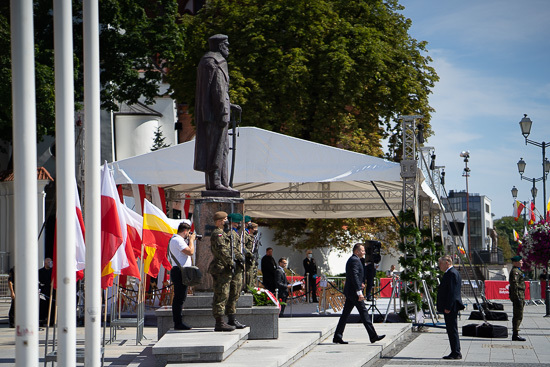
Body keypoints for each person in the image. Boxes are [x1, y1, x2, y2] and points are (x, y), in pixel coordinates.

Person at [193, 34, 241, 192]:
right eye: (226, 45)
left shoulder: (206, 61)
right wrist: (223, 111)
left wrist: (229, 105)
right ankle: (217, 183)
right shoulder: (217, 62)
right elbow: (218, 90)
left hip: (212, 113)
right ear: (220, 46)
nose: (228, 48)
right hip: (216, 116)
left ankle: (220, 182)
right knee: (218, 148)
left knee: (218, 147)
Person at [333, 244, 385, 344]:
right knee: (364, 313)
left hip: (351, 293)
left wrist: (360, 284)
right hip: (354, 293)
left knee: (345, 315)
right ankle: (373, 336)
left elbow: (356, 276)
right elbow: (354, 276)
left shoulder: (355, 260)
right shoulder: (354, 260)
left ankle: (337, 336)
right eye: (362, 250)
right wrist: (359, 292)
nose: (364, 252)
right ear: (356, 251)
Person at [208, 211, 246, 331]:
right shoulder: (217, 234)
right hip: (221, 268)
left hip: (226, 268)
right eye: (225, 219)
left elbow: (231, 249)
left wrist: (238, 258)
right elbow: (222, 251)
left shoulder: (222, 233)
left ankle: (230, 319)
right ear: (219, 221)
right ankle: (219, 323)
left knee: (229, 294)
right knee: (221, 295)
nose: (227, 221)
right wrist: (231, 262)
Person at [168, 221, 196, 330]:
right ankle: (178, 323)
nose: (189, 235)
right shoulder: (177, 240)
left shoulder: (177, 240)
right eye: (188, 233)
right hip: (179, 271)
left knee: (181, 297)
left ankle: (178, 322)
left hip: (180, 271)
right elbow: (190, 252)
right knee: (179, 298)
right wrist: (192, 240)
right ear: (185, 231)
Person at [436, 255, 465, 360]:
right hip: (450, 306)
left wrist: (448, 306)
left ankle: (456, 352)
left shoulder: (451, 273)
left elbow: (452, 292)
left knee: (452, 329)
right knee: (451, 329)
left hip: (451, 307)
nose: (439, 266)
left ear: (447, 262)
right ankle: (455, 350)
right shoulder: (451, 273)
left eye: (441, 263)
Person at [509, 255, 526, 341]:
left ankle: (516, 332)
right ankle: (515, 334)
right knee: (518, 315)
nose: (522, 262)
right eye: (520, 261)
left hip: (520, 295)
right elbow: (514, 285)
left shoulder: (518, 271)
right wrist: (517, 297)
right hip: (518, 295)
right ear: (516, 262)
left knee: (519, 315)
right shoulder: (515, 272)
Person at [38, 258, 54, 326]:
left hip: (51, 290)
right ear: (45, 263)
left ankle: (51, 321)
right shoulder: (40, 271)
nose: (50, 263)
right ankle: (41, 320)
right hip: (43, 290)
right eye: (48, 262)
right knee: (42, 306)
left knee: (52, 305)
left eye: (51, 262)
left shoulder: (53, 271)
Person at [244, 222, 259, 291]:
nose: (256, 230)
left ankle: (251, 287)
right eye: (255, 229)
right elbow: (244, 248)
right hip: (248, 259)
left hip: (253, 259)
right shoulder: (247, 236)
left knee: (253, 274)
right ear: (251, 229)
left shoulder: (254, 238)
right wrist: (250, 254)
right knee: (249, 274)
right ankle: (248, 288)